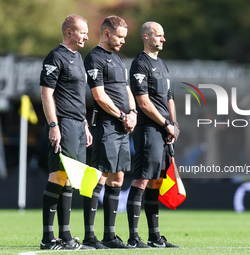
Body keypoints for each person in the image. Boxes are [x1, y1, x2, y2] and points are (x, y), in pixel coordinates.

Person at [39, 14, 93, 250]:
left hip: (77, 125)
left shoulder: (78, 58)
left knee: (70, 177)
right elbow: (46, 93)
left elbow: (77, 97)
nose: (87, 36)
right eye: (82, 32)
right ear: (69, 32)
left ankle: (66, 237)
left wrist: (84, 124)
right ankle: (47, 238)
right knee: (59, 175)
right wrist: (53, 126)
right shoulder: (55, 57)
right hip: (63, 124)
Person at [83, 15, 137, 249]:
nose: (123, 41)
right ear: (107, 34)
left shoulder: (118, 59)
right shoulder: (94, 57)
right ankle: (89, 236)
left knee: (118, 177)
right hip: (105, 125)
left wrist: (133, 111)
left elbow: (126, 89)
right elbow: (99, 96)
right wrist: (123, 115)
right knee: (99, 176)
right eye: (120, 36)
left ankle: (109, 236)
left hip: (122, 126)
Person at [126, 21, 180, 248]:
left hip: (164, 130)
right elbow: (143, 103)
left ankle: (155, 237)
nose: (163, 39)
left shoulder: (163, 65)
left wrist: (173, 125)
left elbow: (169, 98)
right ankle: (133, 237)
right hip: (148, 130)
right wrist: (166, 123)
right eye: (158, 35)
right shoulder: (140, 64)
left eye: (163, 35)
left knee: (157, 181)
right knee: (142, 179)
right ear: (146, 37)